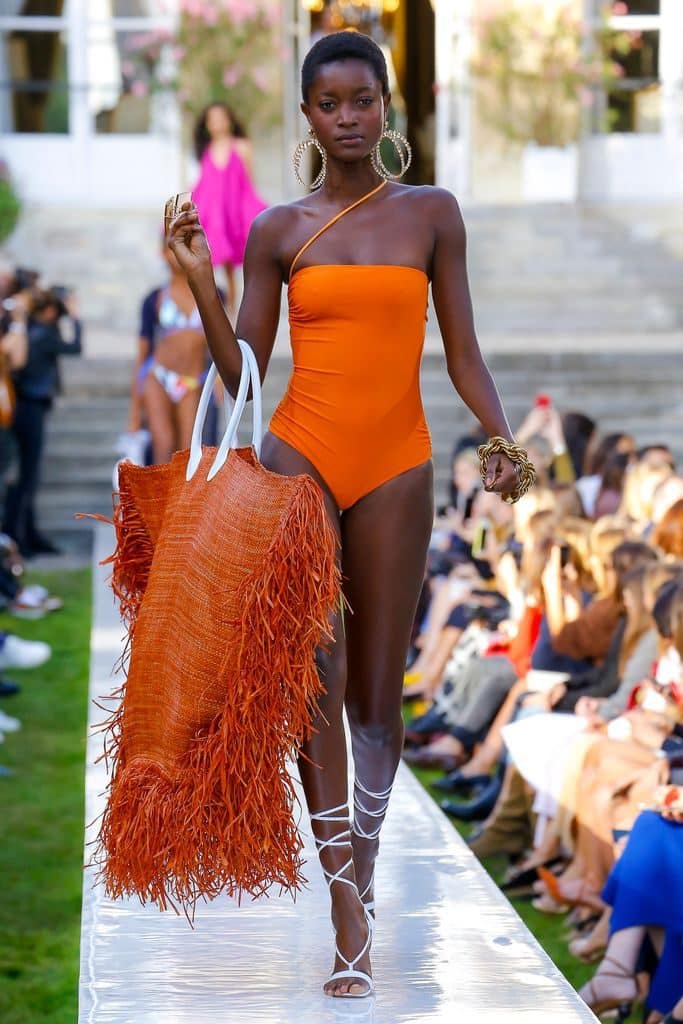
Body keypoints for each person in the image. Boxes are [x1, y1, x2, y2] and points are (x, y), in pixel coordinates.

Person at [166, 31, 532, 999]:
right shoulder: (282, 230)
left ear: (385, 106)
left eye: (362, 99)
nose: (348, 117)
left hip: (398, 466)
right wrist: (204, 281)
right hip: (301, 464)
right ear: (307, 115)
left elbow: (462, 350)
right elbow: (243, 370)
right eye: (329, 103)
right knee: (312, 685)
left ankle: (362, 871)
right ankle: (342, 908)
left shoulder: (432, 214)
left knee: (377, 695)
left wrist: (498, 437)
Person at [3, 288, 82, 556]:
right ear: (49, 311)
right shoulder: (44, 334)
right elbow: (75, 348)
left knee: (26, 477)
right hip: (29, 409)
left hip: (23, 407)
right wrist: (75, 319)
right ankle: (19, 537)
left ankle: (25, 535)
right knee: (26, 477)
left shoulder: (29, 331)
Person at [128, 243, 214, 465]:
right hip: (158, 376)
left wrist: (222, 380)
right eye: (171, 247)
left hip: (192, 381)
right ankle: (161, 500)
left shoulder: (210, 294)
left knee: (188, 451)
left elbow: (220, 343)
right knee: (163, 445)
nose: (176, 254)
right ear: (164, 253)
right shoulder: (155, 298)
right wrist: (135, 412)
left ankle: (182, 501)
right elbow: (142, 354)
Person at [191, 102, 267, 313]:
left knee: (241, 265)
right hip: (216, 215)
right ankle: (223, 311)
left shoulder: (241, 147)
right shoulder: (207, 151)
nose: (217, 123)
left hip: (235, 211)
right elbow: (204, 185)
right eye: (212, 119)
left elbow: (249, 183)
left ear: (229, 120)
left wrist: (252, 210)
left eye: (220, 117)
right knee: (220, 263)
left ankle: (237, 308)